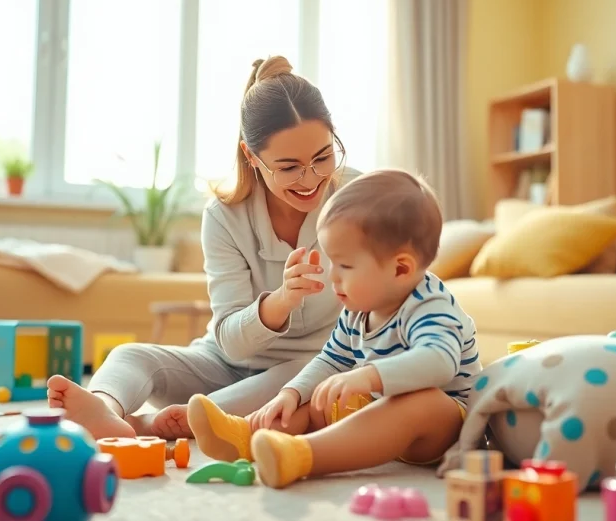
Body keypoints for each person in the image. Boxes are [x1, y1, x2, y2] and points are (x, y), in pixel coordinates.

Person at [47, 56, 358, 440]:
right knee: (130, 356)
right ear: (251, 156)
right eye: (289, 167)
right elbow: (230, 340)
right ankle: (107, 411)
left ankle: (190, 419)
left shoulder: (358, 197)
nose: (311, 179)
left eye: (323, 156)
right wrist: (281, 300)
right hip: (224, 362)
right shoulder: (225, 215)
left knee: (309, 372)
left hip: (307, 368)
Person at [186, 169, 482, 488]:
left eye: (346, 265)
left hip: (446, 429)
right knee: (319, 394)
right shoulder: (358, 309)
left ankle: (302, 455)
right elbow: (330, 360)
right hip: (380, 415)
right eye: (331, 263)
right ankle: (246, 435)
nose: (333, 277)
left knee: (420, 402)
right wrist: (290, 393)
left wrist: (366, 376)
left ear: (401, 268)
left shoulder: (430, 306)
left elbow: (439, 361)